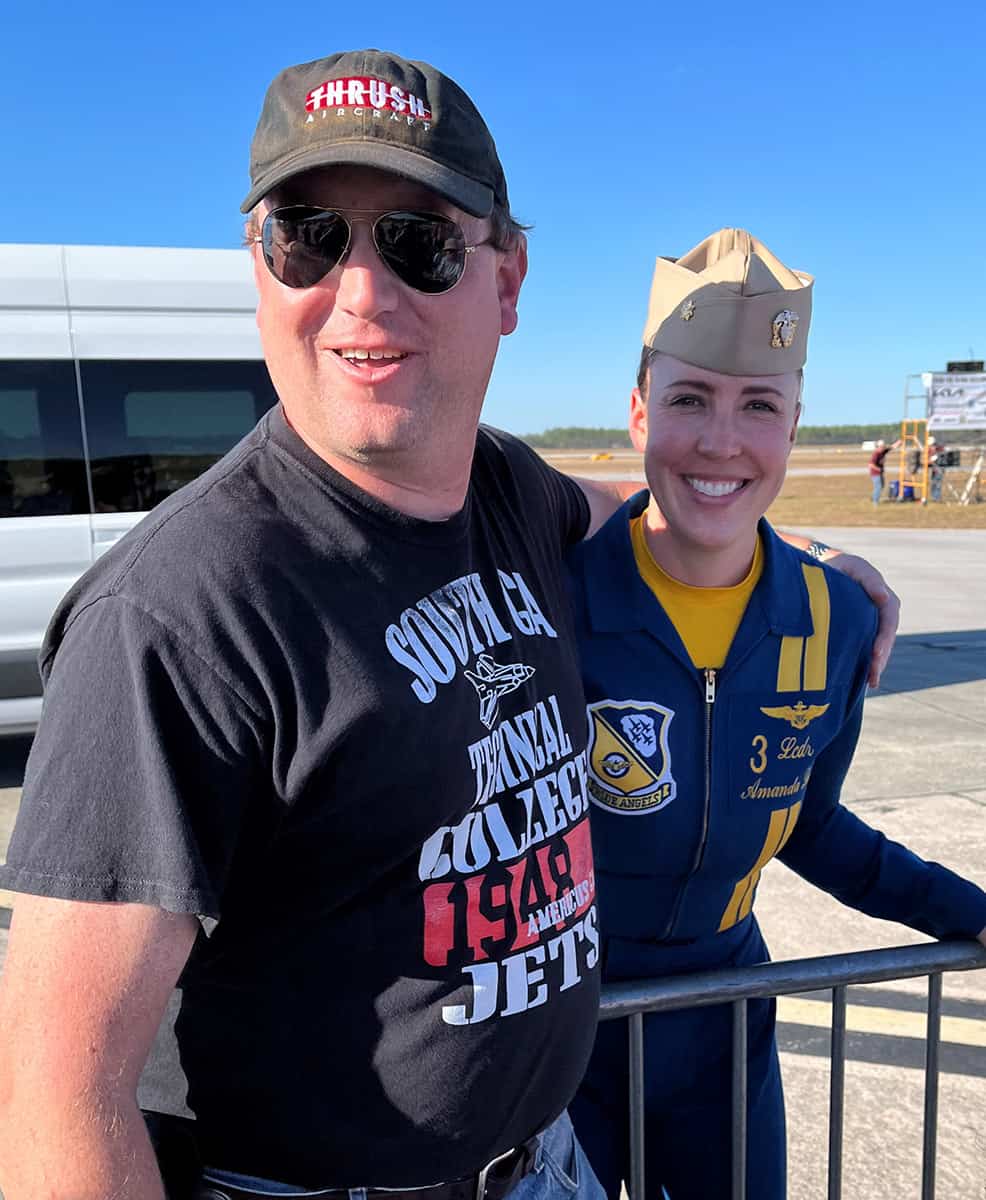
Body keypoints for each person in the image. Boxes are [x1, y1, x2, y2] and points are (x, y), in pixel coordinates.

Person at [0, 53, 898, 1200]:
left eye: (420, 244)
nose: (362, 295)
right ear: (259, 267)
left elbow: (638, 509)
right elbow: (56, 1095)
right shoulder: (176, 618)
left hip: (547, 1160)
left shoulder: (504, 489)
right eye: (310, 237)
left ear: (507, 281)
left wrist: (797, 556)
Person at [564, 229, 986, 1200]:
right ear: (636, 414)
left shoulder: (834, 617)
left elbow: (813, 827)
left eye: (757, 405)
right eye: (686, 400)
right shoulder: (549, 599)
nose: (720, 440)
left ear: (792, 427)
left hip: (723, 1022)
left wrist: (971, 916)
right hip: (555, 1035)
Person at [868, 437, 899, 503]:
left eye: (883, 447)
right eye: (882, 447)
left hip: (879, 473)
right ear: (878, 447)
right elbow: (870, 464)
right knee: (878, 487)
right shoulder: (876, 454)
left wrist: (898, 442)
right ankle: (875, 502)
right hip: (875, 473)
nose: (883, 448)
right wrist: (878, 469)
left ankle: (873, 498)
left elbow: (891, 447)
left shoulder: (883, 452)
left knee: (881, 485)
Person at [928, 437, 945, 501]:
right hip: (934, 469)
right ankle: (934, 497)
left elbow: (943, 455)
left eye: (933, 445)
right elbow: (928, 458)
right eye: (931, 445)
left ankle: (937, 498)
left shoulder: (940, 448)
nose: (932, 447)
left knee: (938, 483)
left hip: (940, 468)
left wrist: (937, 456)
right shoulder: (930, 449)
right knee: (933, 483)